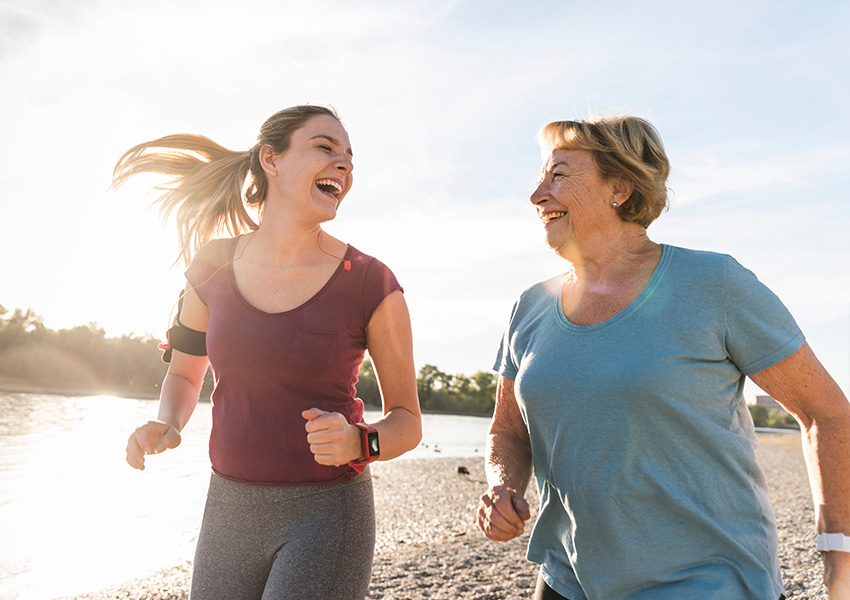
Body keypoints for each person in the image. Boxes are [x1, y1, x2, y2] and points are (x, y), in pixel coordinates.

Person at [476, 115, 850, 599]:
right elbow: (507, 430)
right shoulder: (530, 306)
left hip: (707, 582)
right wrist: (502, 486)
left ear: (621, 187)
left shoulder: (715, 284)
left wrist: (838, 558)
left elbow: (826, 414)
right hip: (567, 580)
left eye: (559, 175)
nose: (537, 195)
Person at [114, 105, 422, 600]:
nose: (344, 165)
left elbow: (408, 421)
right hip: (228, 508)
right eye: (325, 147)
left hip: (327, 513)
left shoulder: (371, 282)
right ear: (271, 160)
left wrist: (359, 442)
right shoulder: (212, 264)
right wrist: (169, 423)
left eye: (349, 157)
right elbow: (187, 373)